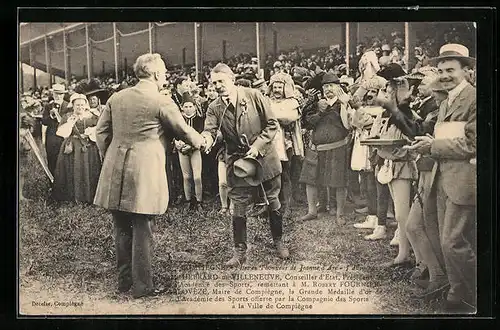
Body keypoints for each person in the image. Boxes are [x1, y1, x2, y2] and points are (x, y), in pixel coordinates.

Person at [93, 53, 206, 298]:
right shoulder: (161, 101)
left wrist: (109, 157)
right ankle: (142, 287)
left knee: (121, 226)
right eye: (164, 71)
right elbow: (184, 131)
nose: (165, 75)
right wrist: (202, 141)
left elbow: (101, 134)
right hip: (143, 171)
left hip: (115, 168)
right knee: (142, 227)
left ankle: (124, 282)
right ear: (155, 73)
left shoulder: (116, 97)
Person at [405, 44, 476, 313]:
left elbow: (473, 144)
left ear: (467, 71)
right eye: (442, 70)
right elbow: (449, 140)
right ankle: (457, 291)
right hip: (444, 178)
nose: (445, 75)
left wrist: (432, 147)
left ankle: (473, 294)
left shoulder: (474, 99)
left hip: (464, 180)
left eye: (452, 70)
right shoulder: (447, 100)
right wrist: (430, 143)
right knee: (447, 240)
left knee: (453, 241)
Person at [201, 63, 289, 266]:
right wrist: (205, 139)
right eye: (214, 83)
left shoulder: (254, 96)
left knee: (273, 200)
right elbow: (210, 130)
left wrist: (257, 146)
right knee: (238, 206)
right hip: (238, 163)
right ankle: (239, 251)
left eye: (221, 81)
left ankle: (278, 241)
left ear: (232, 79)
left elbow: (272, 124)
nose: (218, 86)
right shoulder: (214, 107)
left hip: (264, 158)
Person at [298, 72, 353, 225]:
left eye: (331, 86)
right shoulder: (315, 105)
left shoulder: (344, 103)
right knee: (310, 180)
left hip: (337, 147)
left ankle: (340, 213)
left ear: (338, 88)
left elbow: (349, 124)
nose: (328, 89)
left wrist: (344, 104)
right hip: (315, 148)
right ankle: (312, 211)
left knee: (339, 181)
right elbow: (307, 123)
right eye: (325, 86)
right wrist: (319, 112)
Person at [51, 94, 101, 203]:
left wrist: (91, 131)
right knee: (73, 168)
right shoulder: (67, 116)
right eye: (77, 105)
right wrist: (70, 123)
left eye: (82, 105)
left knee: (90, 169)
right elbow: (60, 132)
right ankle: (71, 196)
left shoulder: (92, 116)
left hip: (88, 146)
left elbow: (100, 128)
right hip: (73, 146)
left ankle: (89, 196)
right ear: (72, 105)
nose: (80, 107)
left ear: (86, 105)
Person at [268, 72, 304, 219]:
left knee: (285, 174)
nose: (277, 90)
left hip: (285, 143)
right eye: (274, 87)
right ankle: (271, 205)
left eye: (280, 87)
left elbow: (289, 118)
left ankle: (286, 205)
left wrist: (272, 118)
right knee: (270, 174)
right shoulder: (267, 101)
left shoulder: (291, 102)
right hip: (269, 142)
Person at [175, 93, 205, 211]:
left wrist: (191, 146)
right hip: (182, 150)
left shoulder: (199, 120)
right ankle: (188, 201)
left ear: (194, 107)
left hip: (195, 150)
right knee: (186, 177)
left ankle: (199, 201)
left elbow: (201, 136)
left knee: (197, 177)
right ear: (182, 107)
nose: (188, 109)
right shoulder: (179, 120)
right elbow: (175, 133)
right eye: (186, 107)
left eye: (190, 106)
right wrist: (177, 143)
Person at [42, 83, 71, 176]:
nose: (58, 96)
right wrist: (50, 116)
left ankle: (63, 184)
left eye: (60, 94)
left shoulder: (68, 106)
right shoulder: (48, 106)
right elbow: (44, 122)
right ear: (53, 94)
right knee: (52, 160)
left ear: (63, 95)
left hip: (64, 138)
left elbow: (71, 122)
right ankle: (53, 183)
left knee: (65, 161)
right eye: (56, 94)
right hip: (51, 137)